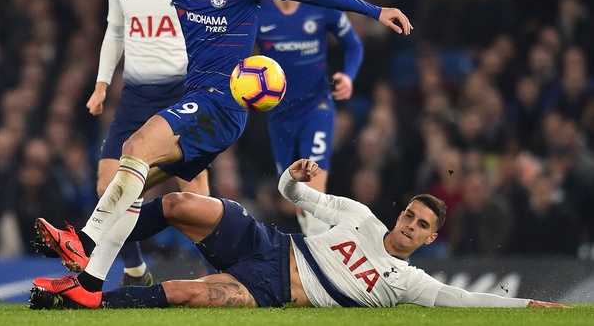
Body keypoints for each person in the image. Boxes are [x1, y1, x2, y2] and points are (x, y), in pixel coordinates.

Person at [33, 0, 412, 296]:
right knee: (134, 177)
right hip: (204, 104)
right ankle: (90, 284)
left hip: (222, 101)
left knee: (136, 145)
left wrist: (374, 10)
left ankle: (84, 242)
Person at [30, 158, 567, 309]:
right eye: (409, 215)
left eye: (421, 226)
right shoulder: (361, 217)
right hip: (268, 244)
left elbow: (460, 298)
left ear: (429, 239)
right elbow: (294, 194)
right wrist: (295, 175)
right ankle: (88, 248)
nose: (409, 225)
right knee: (175, 202)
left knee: (180, 294)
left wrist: (525, 309)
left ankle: (82, 304)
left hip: (270, 290)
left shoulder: (405, 282)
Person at [82, 0, 209, 287]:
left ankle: (220, 274)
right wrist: (102, 84)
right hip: (136, 96)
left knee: (195, 201)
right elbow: (115, 32)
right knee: (108, 186)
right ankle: (136, 271)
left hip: (181, 94)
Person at [256, 0, 363, 235]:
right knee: (296, 200)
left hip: (317, 108)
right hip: (278, 114)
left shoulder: (320, 6)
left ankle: (323, 265)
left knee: (314, 190)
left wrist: (348, 76)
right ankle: (316, 244)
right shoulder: (256, 12)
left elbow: (353, 44)